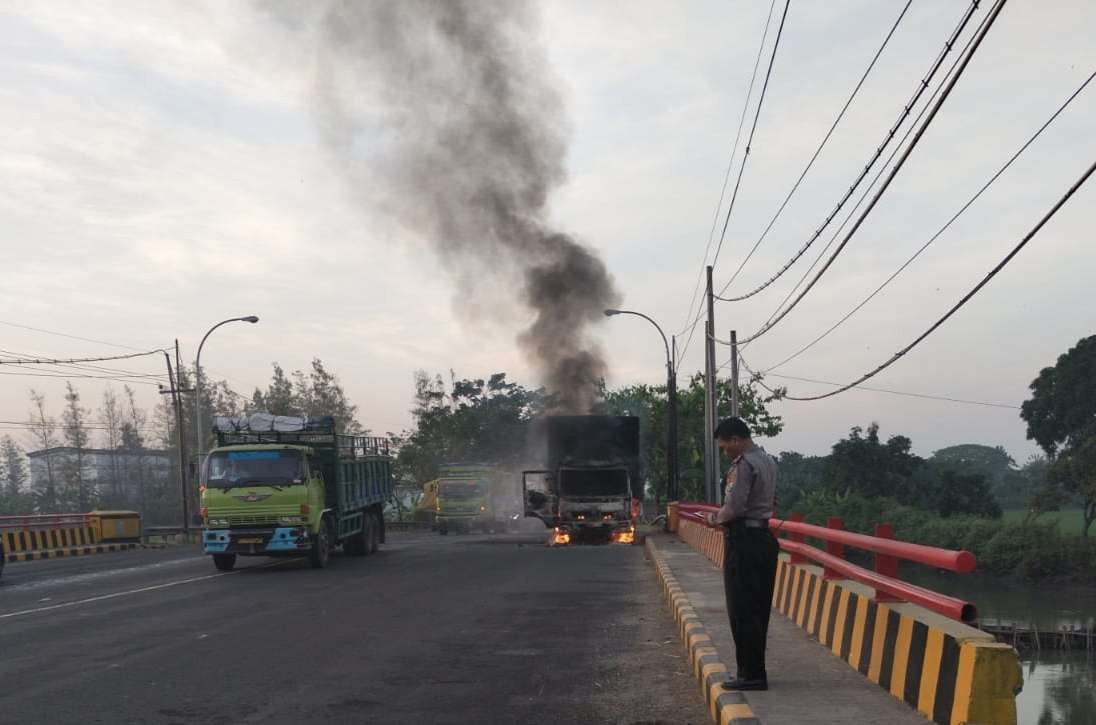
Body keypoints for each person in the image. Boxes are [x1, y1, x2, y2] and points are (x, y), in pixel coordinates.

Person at [706, 416, 779, 691]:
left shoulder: (744, 465)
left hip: (744, 540)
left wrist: (713, 519)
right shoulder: (769, 461)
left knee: (742, 608)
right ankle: (755, 669)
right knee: (759, 608)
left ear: (736, 440)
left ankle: (750, 674)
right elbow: (772, 500)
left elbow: (734, 507)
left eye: (725, 446)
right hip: (764, 538)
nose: (725, 452)